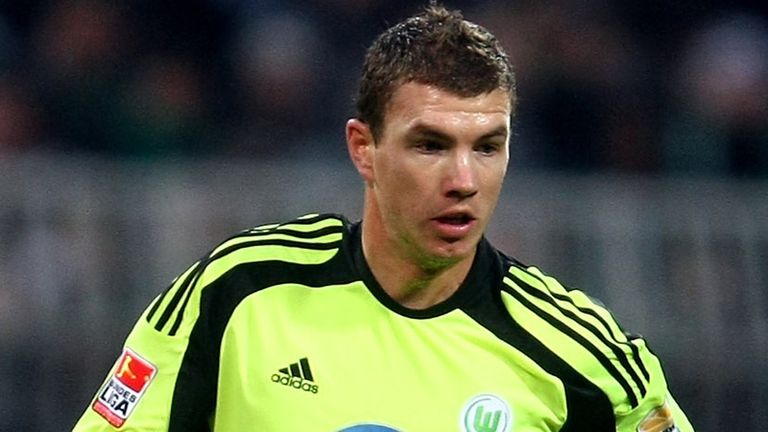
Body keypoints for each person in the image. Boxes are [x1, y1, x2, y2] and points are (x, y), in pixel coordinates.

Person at [73, 5, 693, 431]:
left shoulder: (576, 354)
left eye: (487, 147)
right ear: (363, 148)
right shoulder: (239, 291)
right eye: (430, 145)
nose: (463, 180)